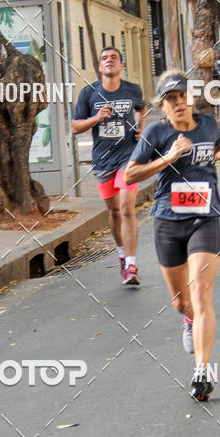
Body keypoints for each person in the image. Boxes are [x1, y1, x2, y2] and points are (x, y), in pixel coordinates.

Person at [124, 70, 220, 401]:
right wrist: (169, 157)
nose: (178, 104)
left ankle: (202, 372)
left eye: (182, 97)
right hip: (167, 222)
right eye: (170, 100)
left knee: (202, 293)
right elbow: (131, 174)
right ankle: (189, 321)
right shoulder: (155, 132)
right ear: (163, 106)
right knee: (182, 303)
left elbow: (211, 154)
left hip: (204, 218)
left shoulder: (208, 125)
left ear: (192, 98)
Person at [72, 47, 147, 285]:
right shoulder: (89, 93)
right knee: (114, 212)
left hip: (129, 156)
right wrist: (96, 118)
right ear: (100, 67)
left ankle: (133, 266)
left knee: (126, 208)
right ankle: (122, 256)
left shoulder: (132, 90)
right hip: (103, 159)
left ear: (121, 65)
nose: (109, 61)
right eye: (104, 58)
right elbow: (75, 127)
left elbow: (142, 109)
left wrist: (142, 128)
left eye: (114, 57)